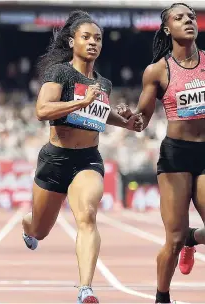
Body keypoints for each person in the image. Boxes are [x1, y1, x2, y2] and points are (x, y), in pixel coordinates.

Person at [20, 10, 143, 304]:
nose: (93, 43)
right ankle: (29, 224)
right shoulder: (60, 73)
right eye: (86, 37)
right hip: (55, 159)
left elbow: (97, 115)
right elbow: (42, 110)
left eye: (98, 38)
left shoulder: (104, 83)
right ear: (72, 41)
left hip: (88, 159)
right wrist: (80, 102)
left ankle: (85, 289)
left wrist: (125, 120)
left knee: (87, 215)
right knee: (40, 228)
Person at [115, 3, 205, 303]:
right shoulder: (158, 71)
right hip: (176, 156)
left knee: (186, 236)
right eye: (179, 18)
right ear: (168, 29)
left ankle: (195, 237)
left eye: (191, 16)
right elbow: (141, 121)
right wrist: (132, 117)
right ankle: (162, 296)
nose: (187, 21)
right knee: (174, 239)